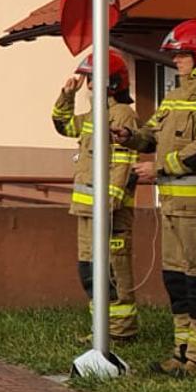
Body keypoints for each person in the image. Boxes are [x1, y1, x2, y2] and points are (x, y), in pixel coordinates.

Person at [120, 20, 196, 377]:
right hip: (173, 209)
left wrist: (159, 168)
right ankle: (182, 352)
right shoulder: (174, 97)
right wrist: (128, 135)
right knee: (178, 281)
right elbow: (150, 136)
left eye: (183, 55)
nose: (176, 62)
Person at [51, 48, 141, 343]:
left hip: (109, 211)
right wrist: (67, 95)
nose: (89, 85)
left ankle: (121, 330)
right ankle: (101, 327)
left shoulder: (122, 114)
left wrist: (110, 203)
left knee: (114, 267)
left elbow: (123, 161)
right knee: (90, 269)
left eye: (93, 79)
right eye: (87, 80)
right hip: (87, 210)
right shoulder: (94, 115)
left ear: (112, 82)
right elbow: (63, 125)